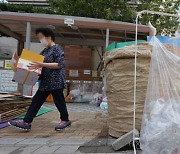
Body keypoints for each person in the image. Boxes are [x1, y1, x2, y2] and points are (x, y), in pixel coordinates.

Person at [9, 27, 71, 131]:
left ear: (49, 37)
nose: (40, 40)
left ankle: (65, 120)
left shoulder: (57, 49)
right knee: (36, 101)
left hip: (56, 81)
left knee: (59, 102)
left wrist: (41, 64)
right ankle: (26, 122)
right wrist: (19, 60)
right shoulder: (45, 51)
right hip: (45, 82)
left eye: (41, 38)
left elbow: (60, 64)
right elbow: (35, 62)